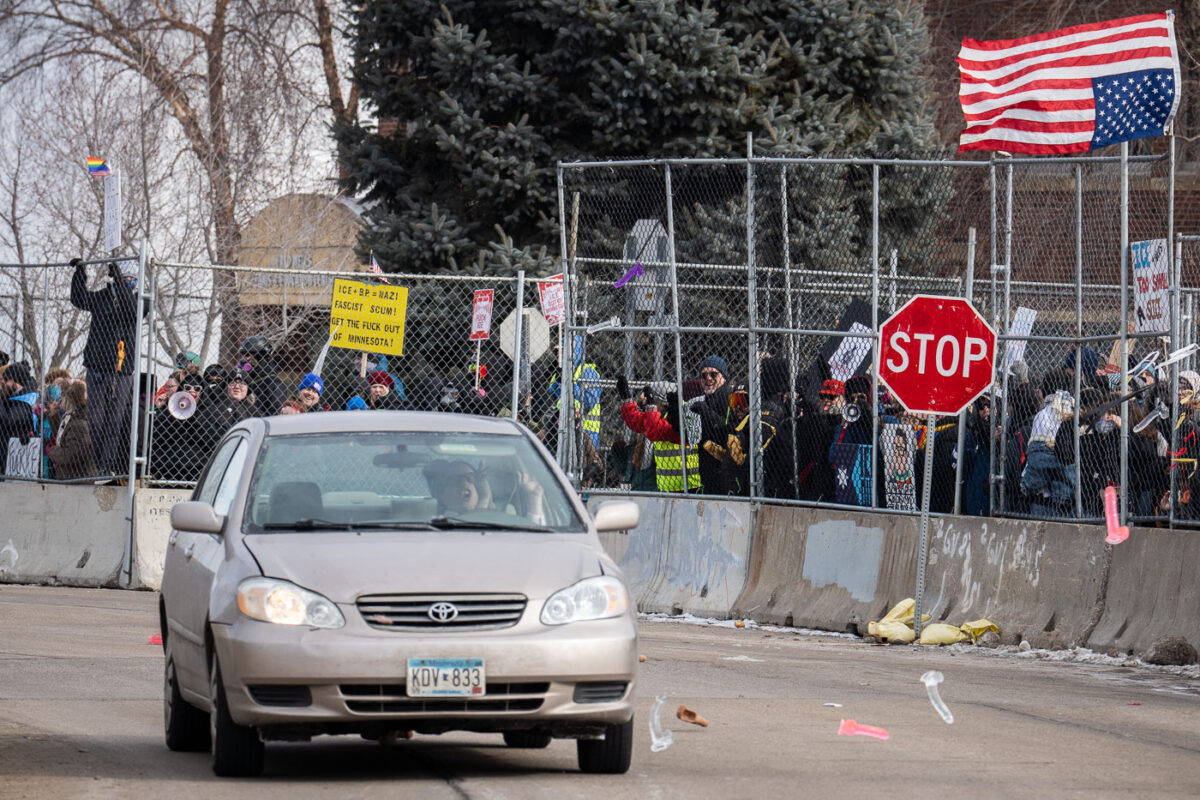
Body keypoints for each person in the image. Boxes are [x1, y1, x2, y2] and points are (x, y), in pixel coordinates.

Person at [69, 258, 147, 473]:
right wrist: (80, 273)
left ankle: (108, 466)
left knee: (114, 420)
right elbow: (79, 299)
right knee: (95, 420)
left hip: (122, 369)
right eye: (125, 279)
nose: (128, 282)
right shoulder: (103, 297)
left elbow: (131, 311)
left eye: (132, 279)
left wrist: (120, 283)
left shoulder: (141, 301)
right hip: (97, 367)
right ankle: (98, 463)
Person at [616, 377, 701, 493]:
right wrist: (626, 399)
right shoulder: (657, 416)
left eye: (651, 399)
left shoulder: (679, 418)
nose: (643, 399)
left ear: (660, 402)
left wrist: (651, 407)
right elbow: (636, 422)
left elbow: (654, 431)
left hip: (686, 485)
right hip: (667, 485)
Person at [423, 459, 546, 524]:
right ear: (442, 494)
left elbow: (538, 544)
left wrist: (534, 499)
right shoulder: (435, 525)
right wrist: (484, 498)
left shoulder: (504, 520)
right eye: (454, 480)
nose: (464, 483)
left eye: (470, 478)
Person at [548, 334, 602, 449]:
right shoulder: (556, 374)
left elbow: (587, 404)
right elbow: (548, 399)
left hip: (586, 432)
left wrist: (568, 382)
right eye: (557, 350)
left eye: (562, 350)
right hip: (558, 430)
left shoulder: (588, 372)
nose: (558, 353)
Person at [690, 354, 733, 494]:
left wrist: (705, 411)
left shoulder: (729, 397)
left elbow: (727, 428)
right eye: (704, 375)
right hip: (709, 469)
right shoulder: (708, 398)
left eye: (713, 374)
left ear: (723, 377)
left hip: (724, 471)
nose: (708, 378)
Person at [47, 381, 97, 479]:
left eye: (62, 397)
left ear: (69, 399)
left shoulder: (78, 424)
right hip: (70, 476)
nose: (60, 401)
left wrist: (51, 451)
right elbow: (63, 435)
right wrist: (53, 415)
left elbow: (70, 455)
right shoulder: (70, 417)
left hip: (77, 478)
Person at [0, 363, 40, 477]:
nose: (3, 384)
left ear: (15, 381)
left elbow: (8, 422)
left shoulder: (26, 401)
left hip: (19, 463)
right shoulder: (14, 400)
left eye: (6, 380)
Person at [237, 335, 285, 418]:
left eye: (248, 355)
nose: (244, 360)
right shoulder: (246, 381)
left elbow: (275, 416)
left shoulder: (273, 383)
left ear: (262, 356)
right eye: (243, 355)